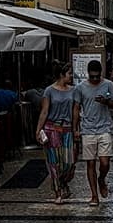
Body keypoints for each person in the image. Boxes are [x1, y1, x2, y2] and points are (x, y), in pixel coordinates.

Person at [73, 60, 113, 205]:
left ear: (101, 74)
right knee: (90, 164)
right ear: (88, 74)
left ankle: (101, 179)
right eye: (92, 77)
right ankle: (94, 195)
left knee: (105, 162)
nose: (95, 79)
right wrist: (75, 128)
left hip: (104, 127)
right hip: (87, 129)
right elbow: (76, 107)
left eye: (97, 76)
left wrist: (106, 102)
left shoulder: (108, 84)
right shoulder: (80, 87)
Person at [34, 61, 76, 204]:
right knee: (53, 162)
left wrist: (77, 128)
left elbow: (76, 111)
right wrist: (38, 130)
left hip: (68, 129)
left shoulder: (73, 90)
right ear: (61, 75)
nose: (72, 76)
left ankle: (63, 182)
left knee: (69, 163)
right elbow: (44, 111)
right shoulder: (49, 91)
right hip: (52, 129)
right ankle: (57, 192)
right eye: (69, 73)